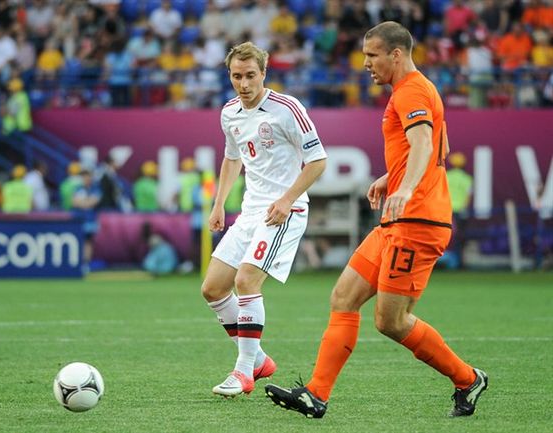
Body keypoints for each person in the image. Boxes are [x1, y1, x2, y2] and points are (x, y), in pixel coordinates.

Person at [265, 22, 488, 419]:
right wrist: (392, 178)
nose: (365, 63)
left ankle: (468, 379)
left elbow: (423, 144)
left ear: (396, 55)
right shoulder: (413, 91)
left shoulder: (413, 90)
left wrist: (406, 188)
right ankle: (316, 394)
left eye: (372, 55)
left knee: (391, 321)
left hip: (418, 221)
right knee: (343, 298)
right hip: (397, 218)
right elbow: (441, 146)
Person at [201, 41, 327, 397]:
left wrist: (287, 199)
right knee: (212, 288)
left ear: (264, 73)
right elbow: (231, 159)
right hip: (250, 211)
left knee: (246, 280)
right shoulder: (229, 113)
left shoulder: (287, 108)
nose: (243, 84)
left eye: (250, 76)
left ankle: (243, 372)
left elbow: (318, 161)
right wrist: (218, 203)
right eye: (236, 76)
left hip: (284, 210)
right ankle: (257, 359)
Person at [445, 151, 473, 268]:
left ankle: (440, 263)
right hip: (460, 212)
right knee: (460, 238)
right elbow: (468, 196)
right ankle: (458, 263)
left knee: (444, 237)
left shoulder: (446, 175)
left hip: (445, 210)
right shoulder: (467, 179)